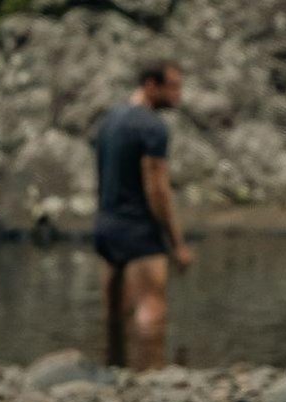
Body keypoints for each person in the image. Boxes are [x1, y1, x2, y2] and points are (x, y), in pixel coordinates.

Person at [93, 60, 193, 370]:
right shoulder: (152, 127)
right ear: (151, 85)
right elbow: (158, 189)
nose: (179, 94)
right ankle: (149, 376)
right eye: (173, 86)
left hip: (106, 225)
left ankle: (113, 367)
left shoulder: (109, 120)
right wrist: (176, 242)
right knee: (151, 308)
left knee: (114, 312)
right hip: (139, 229)